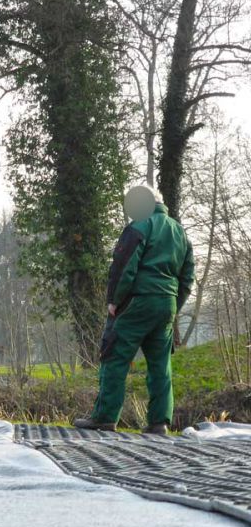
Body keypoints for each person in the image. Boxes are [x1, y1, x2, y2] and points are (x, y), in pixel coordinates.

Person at [75, 186, 195, 435]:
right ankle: (159, 423)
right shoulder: (180, 233)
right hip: (167, 305)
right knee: (160, 364)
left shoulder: (138, 227)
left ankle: (105, 417)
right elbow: (187, 278)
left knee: (115, 357)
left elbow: (125, 266)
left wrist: (114, 300)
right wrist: (173, 305)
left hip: (136, 303)